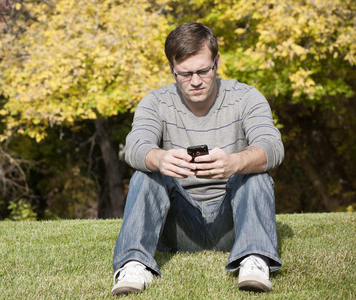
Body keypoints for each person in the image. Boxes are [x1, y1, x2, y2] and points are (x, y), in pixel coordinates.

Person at [111, 22, 284, 296]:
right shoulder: (155, 102)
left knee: (255, 173)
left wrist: (234, 163)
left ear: (217, 61)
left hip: (233, 223)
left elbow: (272, 146)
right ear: (172, 69)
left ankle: (254, 258)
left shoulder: (247, 97)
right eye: (185, 73)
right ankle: (133, 263)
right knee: (145, 172)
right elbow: (135, 145)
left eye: (204, 70)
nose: (195, 81)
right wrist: (159, 157)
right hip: (177, 226)